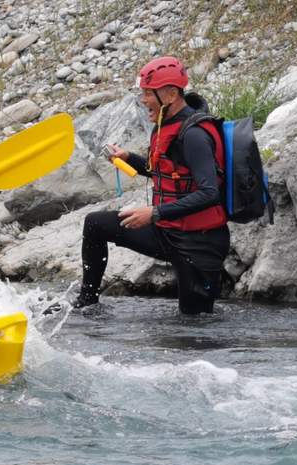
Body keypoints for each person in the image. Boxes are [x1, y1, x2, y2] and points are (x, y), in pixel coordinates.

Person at [75, 55, 230, 315]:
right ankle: (86, 304)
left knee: (195, 327)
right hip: (168, 231)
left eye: (148, 93)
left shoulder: (194, 135)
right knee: (95, 224)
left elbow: (209, 193)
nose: (143, 99)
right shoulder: (165, 123)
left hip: (199, 244)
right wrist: (127, 158)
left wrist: (154, 213)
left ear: (170, 95)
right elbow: (164, 173)